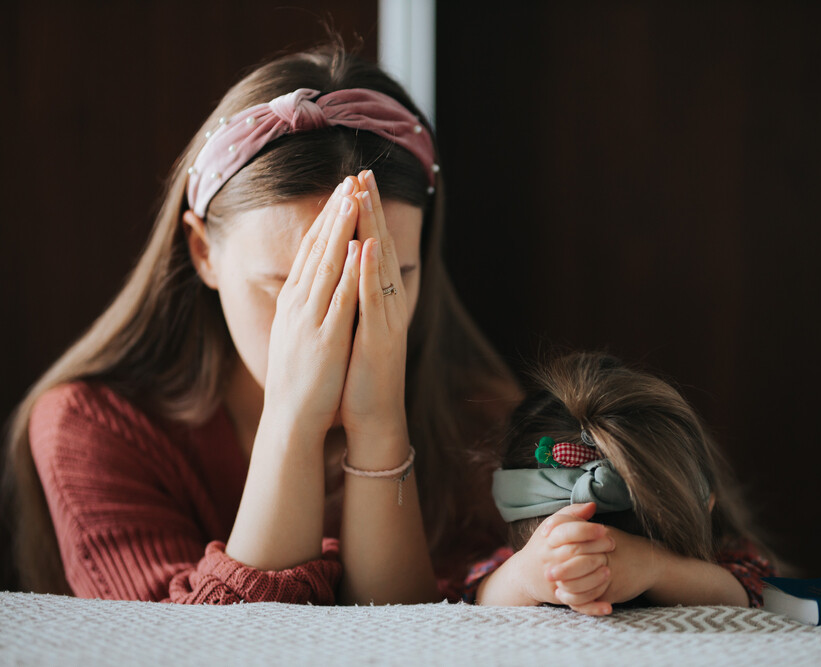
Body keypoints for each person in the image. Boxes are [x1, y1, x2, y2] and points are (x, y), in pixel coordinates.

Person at [0, 35, 520, 604]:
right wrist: (292, 422)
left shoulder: (483, 422)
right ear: (203, 253)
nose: (341, 324)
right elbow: (188, 652)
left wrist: (379, 428)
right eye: (289, 288)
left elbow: (423, 642)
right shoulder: (95, 429)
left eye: (388, 281)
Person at [471, 352, 777, 615]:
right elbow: (473, 594)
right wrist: (526, 575)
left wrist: (657, 567)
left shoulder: (728, 556)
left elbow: (755, 593)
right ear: (707, 501)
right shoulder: (524, 559)